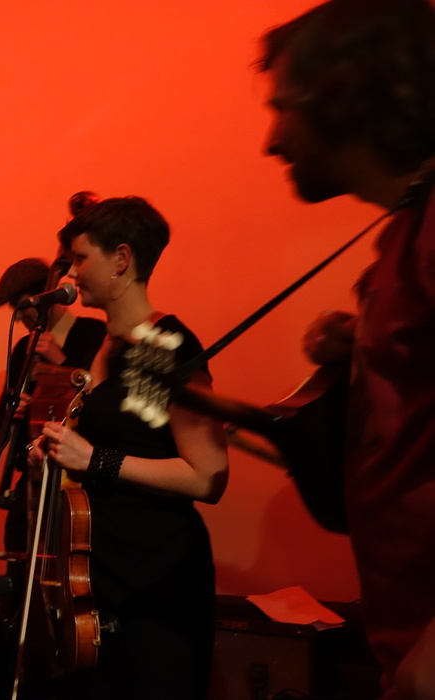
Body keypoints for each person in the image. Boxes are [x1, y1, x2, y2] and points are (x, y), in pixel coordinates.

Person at [258, 1, 435, 697]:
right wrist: (357, 350)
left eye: (283, 108)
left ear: (344, 95)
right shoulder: (403, 236)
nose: (271, 142)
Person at [28, 197, 228, 699]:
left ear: (121, 259)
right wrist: (55, 454)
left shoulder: (158, 346)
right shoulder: (109, 345)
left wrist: (95, 460)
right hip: (102, 573)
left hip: (156, 580)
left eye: (80, 258)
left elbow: (207, 475)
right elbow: (114, 438)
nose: (73, 272)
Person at [0, 258, 105, 619]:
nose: (23, 318)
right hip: (32, 479)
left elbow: (99, 400)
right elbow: (0, 418)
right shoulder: (23, 349)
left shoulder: (93, 334)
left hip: (77, 482)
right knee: (20, 573)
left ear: (47, 296)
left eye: (25, 307)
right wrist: (15, 409)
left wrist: (61, 361)